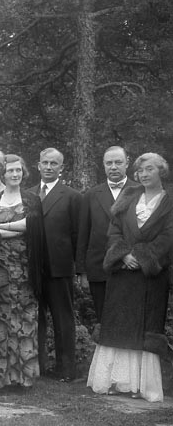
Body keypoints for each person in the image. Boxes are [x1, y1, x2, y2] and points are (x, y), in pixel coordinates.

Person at [87, 153, 173, 402]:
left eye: (149, 169)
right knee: (118, 327)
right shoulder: (129, 196)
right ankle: (115, 381)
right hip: (122, 275)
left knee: (144, 329)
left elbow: (169, 237)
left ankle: (139, 385)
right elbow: (114, 230)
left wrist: (143, 257)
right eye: (141, 170)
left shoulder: (169, 201)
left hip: (150, 276)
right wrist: (123, 255)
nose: (144, 174)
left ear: (161, 172)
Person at [0, 154, 45, 388]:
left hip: (25, 267)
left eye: (18, 170)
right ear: (3, 173)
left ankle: (21, 377)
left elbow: (32, 226)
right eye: (10, 171)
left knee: (24, 316)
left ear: (23, 172)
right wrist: (16, 228)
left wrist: (2, 227)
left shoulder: (32, 199)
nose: (15, 174)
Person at [29, 147, 81, 381]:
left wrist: (78, 268)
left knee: (63, 319)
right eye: (45, 163)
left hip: (59, 267)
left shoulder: (72, 196)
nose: (49, 167)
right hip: (32, 268)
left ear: (61, 167)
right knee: (34, 318)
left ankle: (66, 369)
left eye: (54, 163)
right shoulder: (28, 194)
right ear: (38, 165)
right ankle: (37, 366)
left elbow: (78, 234)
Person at [76, 146, 137, 321]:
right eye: (109, 163)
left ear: (127, 163)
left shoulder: (140, 191)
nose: (113, 167)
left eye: (118, 162)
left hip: (132, 267)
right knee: (104, 320)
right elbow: (83, 234)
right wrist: (82, 271)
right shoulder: (91, 195)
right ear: (103, 165)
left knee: (131, 320)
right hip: (99, 268)